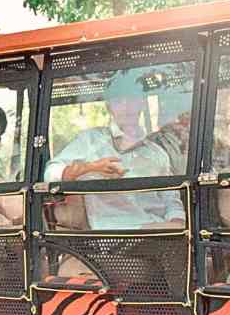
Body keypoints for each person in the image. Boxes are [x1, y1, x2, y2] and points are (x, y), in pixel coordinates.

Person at [44, 68, 187, 231]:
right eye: (119, 101)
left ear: (142, 102)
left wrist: (178, 221)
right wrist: (90, 167)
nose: (126, 107)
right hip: (114, 233)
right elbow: (50, 174)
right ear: (109, 106)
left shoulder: (157, 153)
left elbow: (171, 198)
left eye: (132, 99)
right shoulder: (90, 140)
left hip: (158, 229)